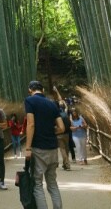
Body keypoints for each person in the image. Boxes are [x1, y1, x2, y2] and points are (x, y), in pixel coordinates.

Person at [24, 80, 64, 209]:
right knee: (52, 184)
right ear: (43, 90)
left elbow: (31, 124)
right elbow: (62, 128)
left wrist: (28, 147)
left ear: (30, 90)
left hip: (39, 148)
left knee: (37, 184)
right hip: (53, 148)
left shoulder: (30, 101)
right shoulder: (52, 104)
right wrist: (51, 132)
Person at [53, 87, 72, 170]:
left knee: (63, 149)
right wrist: (57, 91)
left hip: (59, 134)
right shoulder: (64, 112)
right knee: (66, 149)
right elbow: (62, 101)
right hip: (67, 133)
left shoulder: (54, 114)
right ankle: (66, 163)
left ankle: (66, 164)